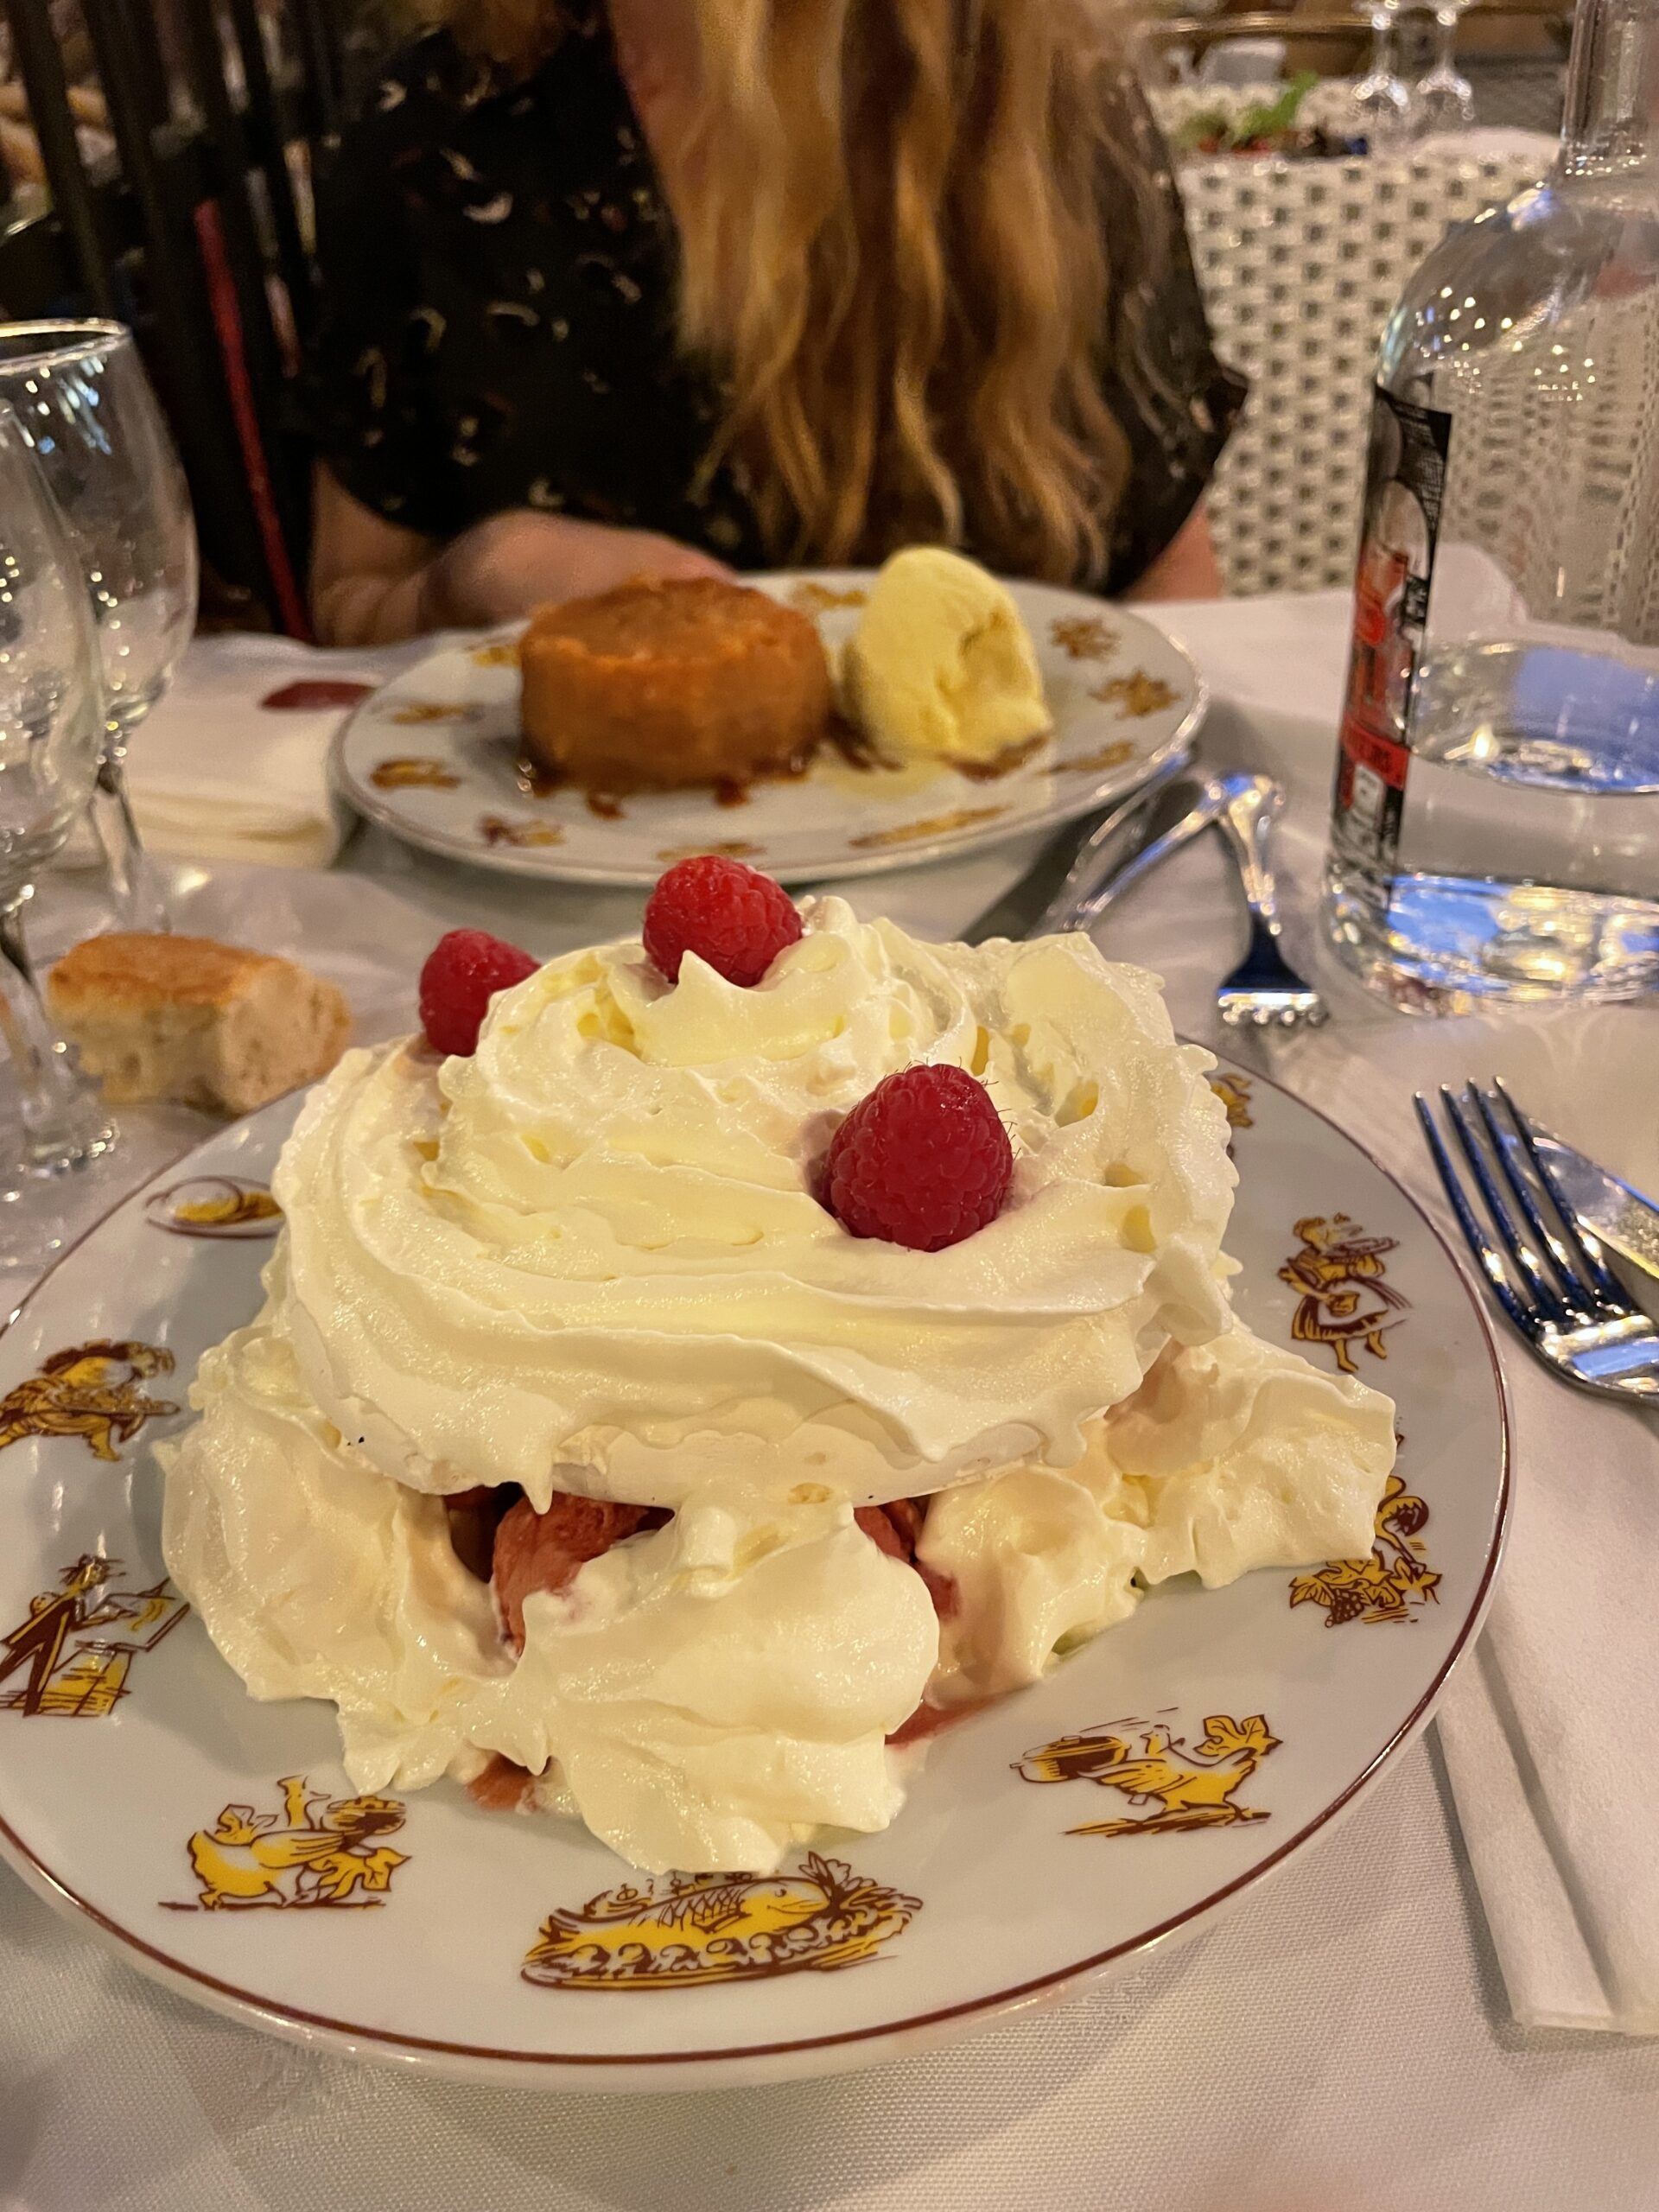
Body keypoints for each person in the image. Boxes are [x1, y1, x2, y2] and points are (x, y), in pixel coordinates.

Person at [308, 0, 1243, 646]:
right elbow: (346, 604)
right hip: (582, 880)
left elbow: (1170, 589)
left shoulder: (1043, 100)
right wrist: (464, 587)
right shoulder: (440, 127)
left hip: (1014, 881)